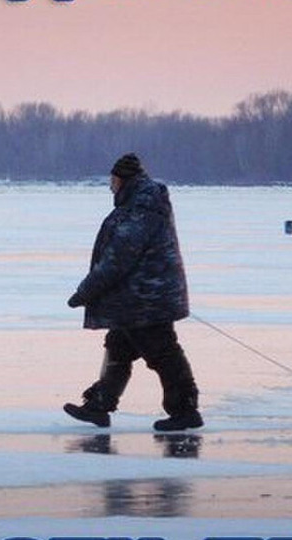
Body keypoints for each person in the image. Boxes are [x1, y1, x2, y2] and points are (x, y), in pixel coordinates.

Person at [63, 153, 203, 432]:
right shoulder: (138, 205)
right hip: (133, 299)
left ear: (124, 180)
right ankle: (99, 406)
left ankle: (185, 409)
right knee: (118, 347)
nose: (110, 186)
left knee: (162, 353)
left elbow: (118, 258)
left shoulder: (141, 209)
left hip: (146, 299)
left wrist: (85, 291)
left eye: (113, 180)